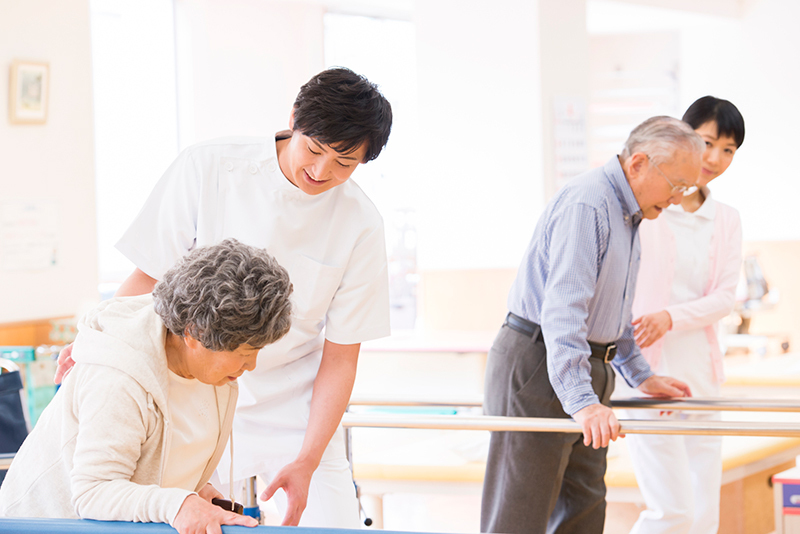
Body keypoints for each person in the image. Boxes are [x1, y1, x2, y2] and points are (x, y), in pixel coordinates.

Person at [55, 67, 392, 528]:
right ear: (293, 120)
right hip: (195, 392)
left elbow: (341, 356)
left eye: (344, 164)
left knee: (332, 523)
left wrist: (309, 459)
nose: (321, 172)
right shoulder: (208, 167)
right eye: (313, 150)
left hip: (296, 407)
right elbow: (148, 276)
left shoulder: (361, 224)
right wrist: (93, 345)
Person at [480, 116, 702, 534]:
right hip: (540, 362)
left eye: (686, 189)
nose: (677, 198)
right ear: (639, 163)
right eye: (677, 185)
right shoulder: (589, 204)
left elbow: (613, 312)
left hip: (584, 366)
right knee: (521, 513)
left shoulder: (630, 214)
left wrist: (641, 375)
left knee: (583, 508)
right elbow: (564, 310)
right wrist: (582, 401)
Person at [0, 239, 293, 534]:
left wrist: (195, 490)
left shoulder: (208, 368)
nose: (251, 365)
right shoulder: (118, 378)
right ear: (194, 333)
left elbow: (157, 449)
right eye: (243, 353)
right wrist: (177, 504)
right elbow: (94, 492)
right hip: (43, 525)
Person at [621, 97, 745, 534]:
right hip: (646, 368)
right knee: (671, 511)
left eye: (728, 149)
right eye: (709, 142)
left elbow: (725, 297)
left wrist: (670, 316)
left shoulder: (726, 219)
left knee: (703, 509)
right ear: (683, 135)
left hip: (701, 369)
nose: (714, 158)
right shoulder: (649, 208)